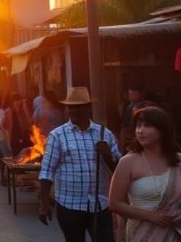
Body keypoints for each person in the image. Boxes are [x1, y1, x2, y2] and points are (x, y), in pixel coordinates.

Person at [109, 106, 181, 242]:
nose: (140, 131)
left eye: (147, 126)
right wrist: (150, 215)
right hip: (143, 235)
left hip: (178, 233)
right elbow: (114, 203)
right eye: (138, 126)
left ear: (162, 131)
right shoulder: (128, 162)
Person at [38, 87, 120, 242]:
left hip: (99, 205)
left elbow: (118, 170)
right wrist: (44, 203)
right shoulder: (58, 136)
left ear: (88, 108)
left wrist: (108, 156)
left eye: (78, 107)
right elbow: (47, 171)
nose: (73, 111)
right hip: (69, 205)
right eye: (70, 107)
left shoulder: (104, 134)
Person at [120, 87, 147, 152]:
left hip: (134, 129)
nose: (130, 96)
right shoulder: (128, 105)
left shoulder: (141, 105)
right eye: (130, 94)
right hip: (126, 128)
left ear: (139, 95)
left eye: (133, 94)